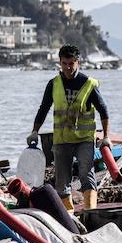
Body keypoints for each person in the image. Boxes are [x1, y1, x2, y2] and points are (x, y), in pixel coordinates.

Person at [27, 44, 110, 211]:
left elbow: (103, 110)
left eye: (71, 63)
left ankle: (90, 211)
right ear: (60, 62)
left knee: (86, 173)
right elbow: (43, 108)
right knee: (62, 182)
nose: (68, 67)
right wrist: (34, 132)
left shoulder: (88, 84)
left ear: (78, 62)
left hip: (84, 139)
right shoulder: (54, 84)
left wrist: (107, 136)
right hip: (62, 140)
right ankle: (70, 217)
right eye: (64, 63)